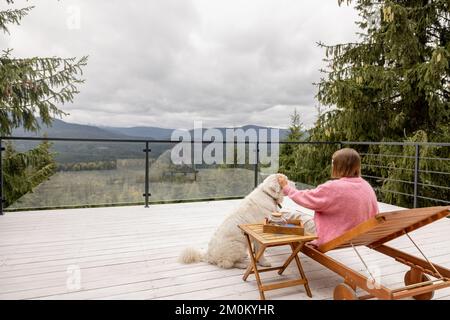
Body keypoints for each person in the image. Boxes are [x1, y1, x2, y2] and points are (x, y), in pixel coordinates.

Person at [278, 148, 378, 247]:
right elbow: (375, 213)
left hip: (334, 235)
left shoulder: (333, 187)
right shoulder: (366, 186)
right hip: (360, 235)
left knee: (291, 216)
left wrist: (286, 188)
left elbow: (307, 198)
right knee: (303, 216)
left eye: (333, 162)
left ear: (338, 166)